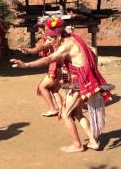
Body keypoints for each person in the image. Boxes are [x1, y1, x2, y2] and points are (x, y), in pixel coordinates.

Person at [11, 17, 112, 153]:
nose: (50, 42)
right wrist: (29, 51)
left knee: (65, 113)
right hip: (81, 80)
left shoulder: (66, 46)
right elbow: (92, 51)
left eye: (51, 39)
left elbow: (48, 58)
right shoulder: (71, 37)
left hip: (80, 83)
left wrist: (26, 65)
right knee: (76, 113)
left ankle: (77, 145)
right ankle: (93, 141)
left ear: (58, 36)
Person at [17, 24, 63, 117]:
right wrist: (28, 50)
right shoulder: (55, 39)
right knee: (54, 90)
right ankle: (62, 108)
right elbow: (38, 49)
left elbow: (42, 52)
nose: (42, 30)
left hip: (56, 67)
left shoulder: (51, 39)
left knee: (42, 87)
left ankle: (53, 109)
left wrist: (27, 64)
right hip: (60, 68)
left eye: (43, 28)